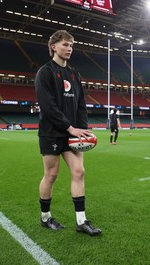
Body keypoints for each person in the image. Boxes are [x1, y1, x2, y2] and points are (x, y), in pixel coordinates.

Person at [35, 30, 101, 236]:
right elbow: (48, 106)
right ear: (54, 46)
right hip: (52, 132)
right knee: (51, 175)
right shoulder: (44, 72)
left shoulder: (74, 74)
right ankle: (45, 217)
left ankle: (81, 221)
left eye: (71, 45)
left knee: (79, 172)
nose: (69, 48)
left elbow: (81, 104)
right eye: (65, 44)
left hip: (72, 133)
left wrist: (82, 128)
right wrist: (69, 127)